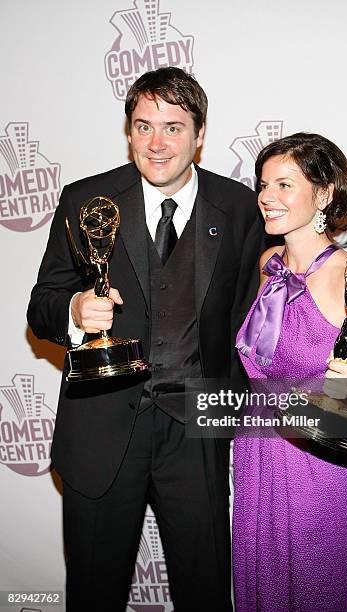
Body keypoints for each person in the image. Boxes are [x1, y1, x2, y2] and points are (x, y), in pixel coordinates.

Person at [27, 67, 262, 612]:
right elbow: (40, 305)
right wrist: (72, 310)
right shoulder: (85, 200)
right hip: (103, 431)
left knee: (205, 594)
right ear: (128, 131)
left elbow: (254, 320)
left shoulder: (241, 209)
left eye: (174, 127)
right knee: (93, 593)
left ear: (199, 134)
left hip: (197, 434)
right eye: (143, 126)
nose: (157, 144)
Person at [232, 133, 347, 612]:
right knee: (256, 589)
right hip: (257, 450)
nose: (267, 197)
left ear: (324, 193)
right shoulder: (269, 265)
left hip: (318, 458)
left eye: (285, 185)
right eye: (264, 185)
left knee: (313, 589)